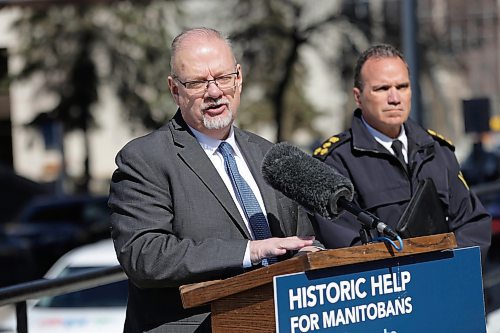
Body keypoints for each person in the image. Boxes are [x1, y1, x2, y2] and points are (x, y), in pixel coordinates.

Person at [108, 27, 322, 333]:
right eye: (196, 82)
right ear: (174, 89)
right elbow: (145, 256)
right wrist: (250, 251)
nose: (214, 92)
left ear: (239, 78)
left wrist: (308, 253)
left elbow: (301, 238)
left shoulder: (270, 155)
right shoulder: (144, 159)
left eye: (223, 78)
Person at [312, 43, 491, 259]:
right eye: (382, 89)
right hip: (387, 288)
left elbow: (473, 225)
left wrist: (447, 270)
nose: (395, 98)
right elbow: (345, 248)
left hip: (445, 284)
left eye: (402, 86)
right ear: (358, 97)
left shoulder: (437, 150)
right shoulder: (336, 161)